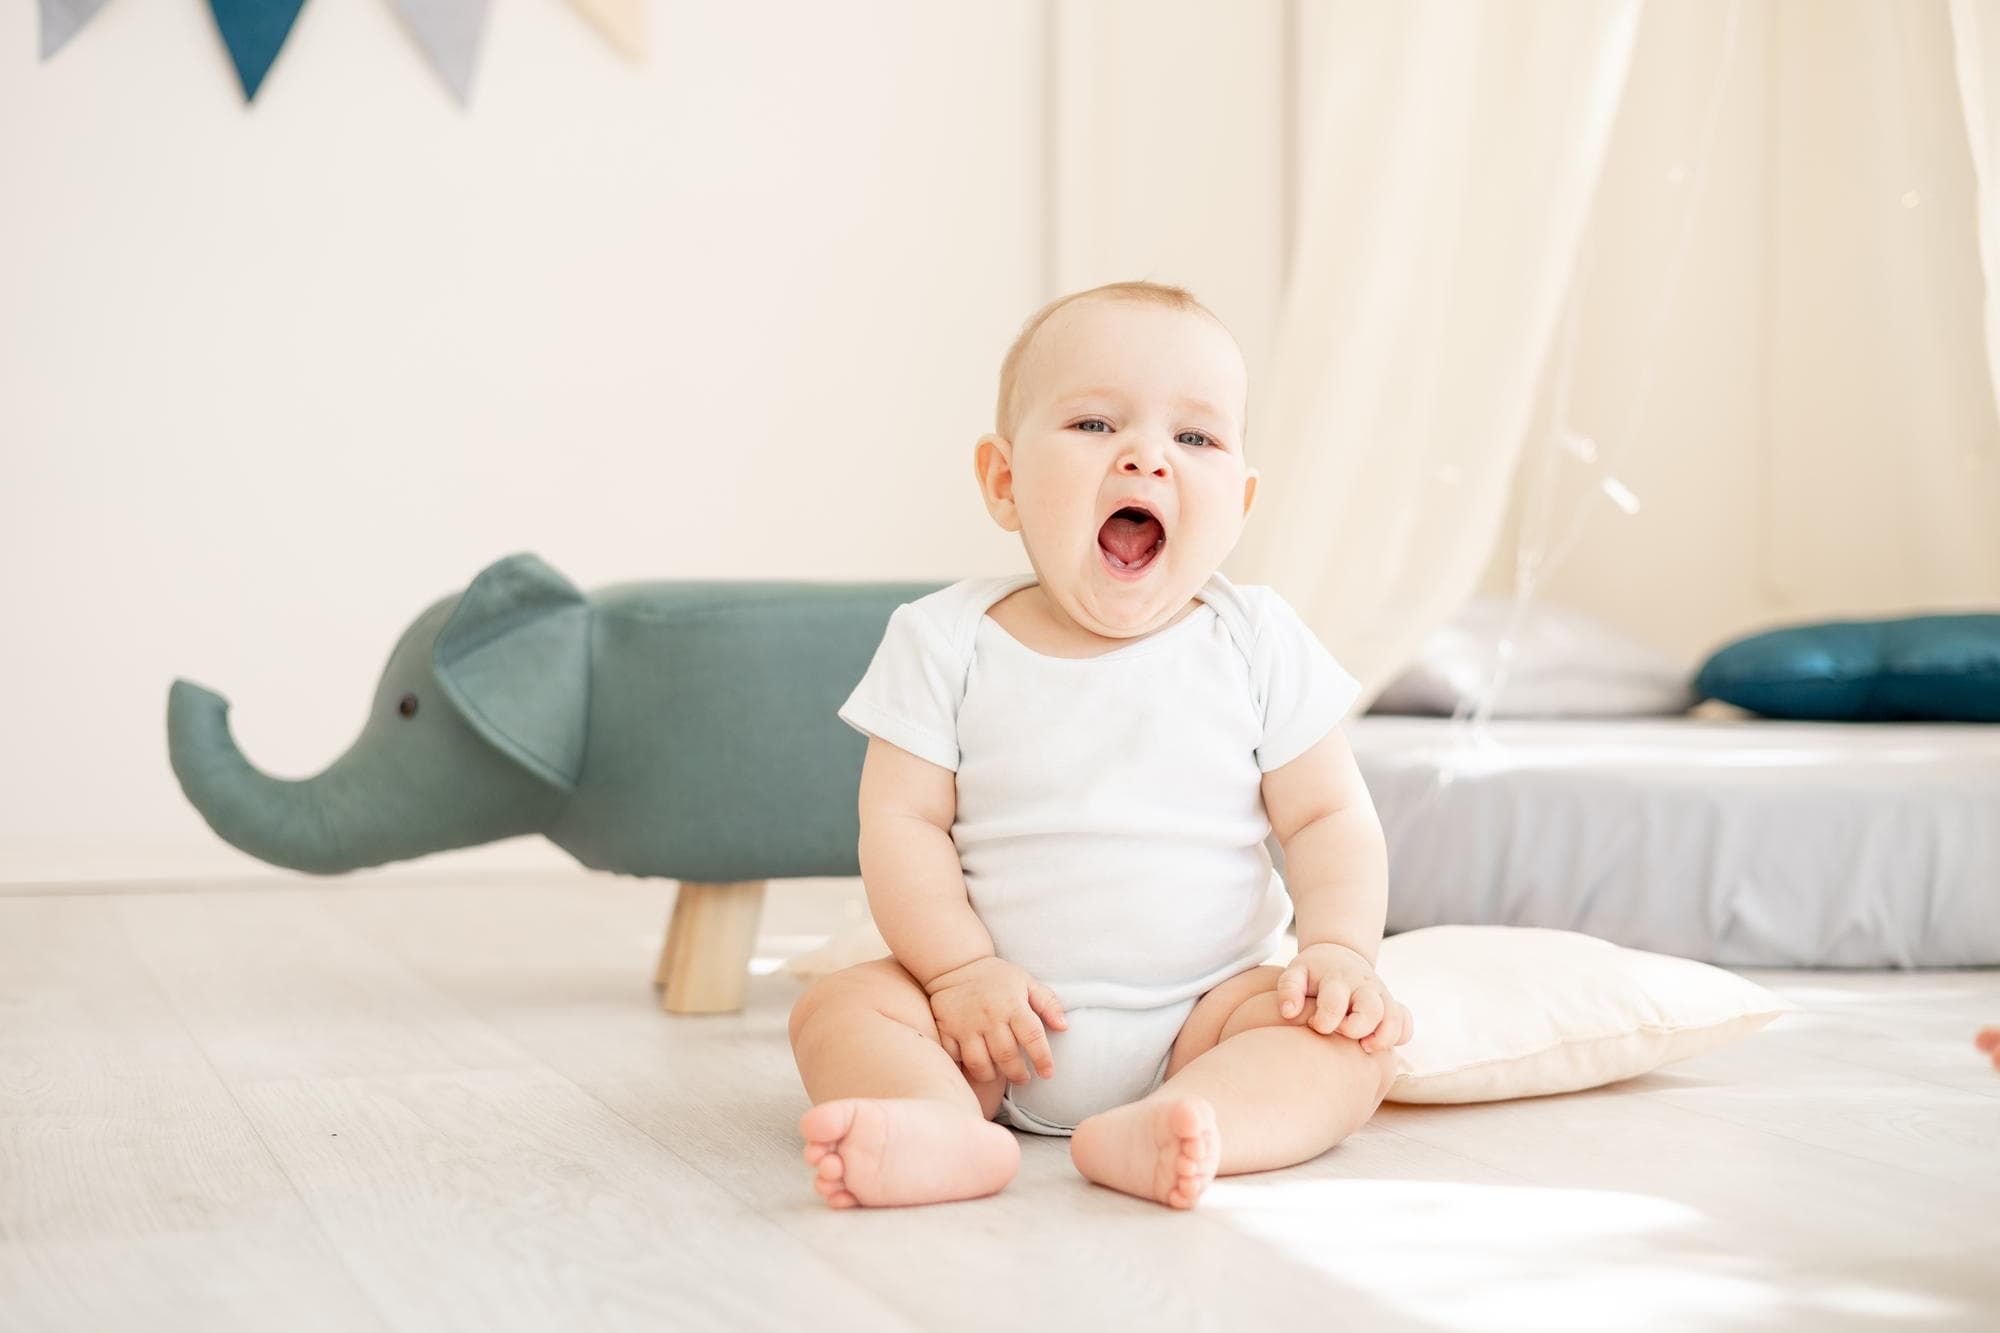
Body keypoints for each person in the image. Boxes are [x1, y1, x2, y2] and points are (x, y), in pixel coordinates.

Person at [788, 281, 1412, 1210]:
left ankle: (1194, 1121)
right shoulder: (945, 638)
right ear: (1004, 481)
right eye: (1092, 423)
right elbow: (900, 822)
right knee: (839, 1008)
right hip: (990, 1023)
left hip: (1206, 1016)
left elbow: (1328, 817)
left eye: (1194, 438)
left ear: (1237, 502)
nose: (1146, 459)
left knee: (1351, 1047)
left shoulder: (1257, 640)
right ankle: (940, 1122)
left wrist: (1342, 952)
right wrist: (958, 971)